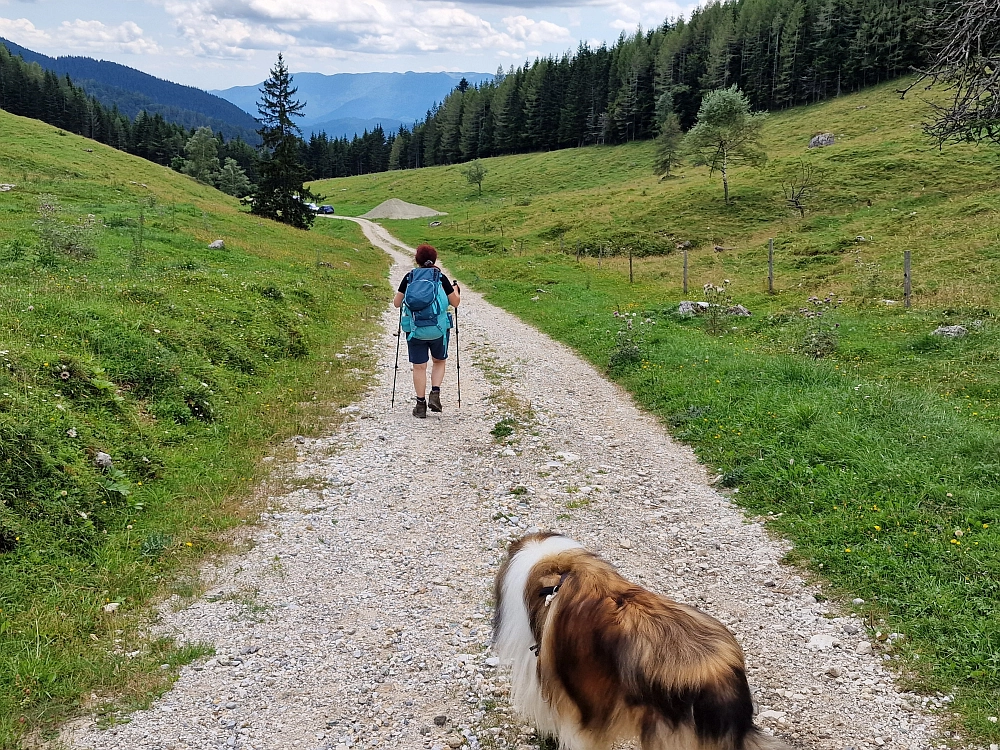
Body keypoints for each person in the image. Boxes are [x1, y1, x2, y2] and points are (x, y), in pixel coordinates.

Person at [393, 244, 461, 418]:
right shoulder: (441, 277)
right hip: (438, 330)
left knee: (419, 367)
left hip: (415, 330)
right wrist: (455, 290)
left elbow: (397, 303)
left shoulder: (409, 277)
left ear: (417, 260)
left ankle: (420, 405)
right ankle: (435, 394)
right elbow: (455, 303)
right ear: (435, 259)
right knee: (438, 361)